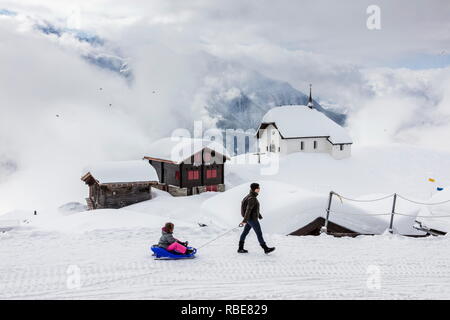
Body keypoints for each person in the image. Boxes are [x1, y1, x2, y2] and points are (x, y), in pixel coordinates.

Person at [238, 183, 275, 254]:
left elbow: (253, 209)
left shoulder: (249, 196)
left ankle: (240, 248)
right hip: (252, 219)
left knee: (245, 232)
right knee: (259, 233)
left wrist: (259, 215)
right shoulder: (252, 198)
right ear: (255, 189)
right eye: (258, 188)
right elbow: (248, 210)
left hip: (249, 218)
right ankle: (265, 248)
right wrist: (244, 221)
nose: (259, 189)